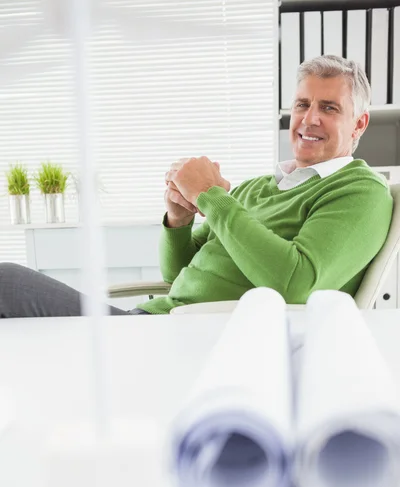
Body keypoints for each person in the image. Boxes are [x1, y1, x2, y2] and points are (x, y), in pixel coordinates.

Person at [0, 55, 393, 318]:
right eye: (302, 104)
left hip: (197, 337)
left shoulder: (359, 191)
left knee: (7, 284)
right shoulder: (259, 187)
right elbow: (178, 274)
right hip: (160, 321)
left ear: (359, 124)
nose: (309, 119)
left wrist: (210, 195)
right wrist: (179, 217)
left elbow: (295, 285)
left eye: (329, 108)